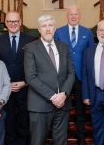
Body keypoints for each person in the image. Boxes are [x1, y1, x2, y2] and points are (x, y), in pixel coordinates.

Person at [24, 14, 75, 145]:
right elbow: (31, 77)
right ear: (39, 29)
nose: (47, 29)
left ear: (55, 28)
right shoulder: (30, 48)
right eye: (44, 26)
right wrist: (53, 97)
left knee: (61, 142)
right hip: (40, 105)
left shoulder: (64, 47)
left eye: (50, 25)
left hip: (62, 105)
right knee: (37, 141)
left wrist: (64, 94)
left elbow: (71, 73)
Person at [54, 5, 94, 145]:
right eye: (71, 14)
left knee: (80, 109)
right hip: (64, 77)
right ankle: (61, 138)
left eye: (76, 14)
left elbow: (90, 55)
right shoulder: (58, 32)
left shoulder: (87, 33)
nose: (73, 16)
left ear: (80, 16)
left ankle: (81, 137)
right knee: (62, 109)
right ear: (67, 16)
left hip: (81, 77)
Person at [0, 11, 35, 145]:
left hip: (25, 88)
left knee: (24, 123)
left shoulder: (30, 40)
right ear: (6, 23)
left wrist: (25, 82)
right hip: (5, 90)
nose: (13, 24)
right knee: (9, 123)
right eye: (10, 21)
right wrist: (6, 84)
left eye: (16, 21)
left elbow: (34, 65)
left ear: (20, 22)